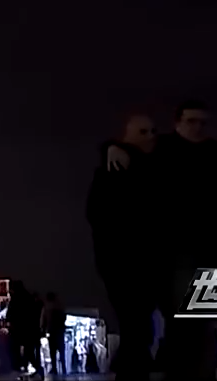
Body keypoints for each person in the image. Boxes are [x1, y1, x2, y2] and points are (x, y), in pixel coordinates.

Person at [153, 100, 217, 379]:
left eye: (202, 122)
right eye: (191, 121)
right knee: (180, 322)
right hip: (177, 251)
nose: (197, 127)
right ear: (178, 122)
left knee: (206, 324)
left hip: (210, 250)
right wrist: (111, 147)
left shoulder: (215, 152)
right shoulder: (162, 148)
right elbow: (130, 150)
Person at [88, 114, 163, 381]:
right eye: (143, 131)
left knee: (138, 327)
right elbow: (98, 214)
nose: (150, 136)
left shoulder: (142, 165)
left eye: (152, 131)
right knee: (137, 326)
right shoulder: (116, 169)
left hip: (140, 261)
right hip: (125, 262)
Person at [40, 292, 66, 377]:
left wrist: (43, 330)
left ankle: (54, 368)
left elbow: (43, 320)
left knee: (52, 351)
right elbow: (64, 317)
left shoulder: (46, 308)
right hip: (59, 331)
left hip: (51, 331)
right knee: (61, 351)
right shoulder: (59, 306)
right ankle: (64, 368)